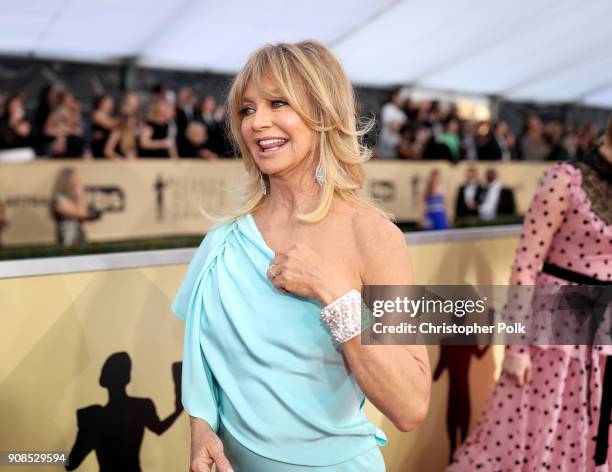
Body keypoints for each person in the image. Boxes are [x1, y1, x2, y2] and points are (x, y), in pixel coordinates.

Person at [172, 41, 431, 472]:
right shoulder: (220, 245)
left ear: (324, 114)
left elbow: (410, 403)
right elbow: (205, 371)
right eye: (247, 109)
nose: (258, 122)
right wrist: (201, 430)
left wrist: (336, 293)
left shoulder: (374, 237)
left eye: (278, 103)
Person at [449, 116, 612, 471]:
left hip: (606, 337)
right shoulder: (565, 180)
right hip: (555, 333)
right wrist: (516, 347)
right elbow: (525, 265)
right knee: (536, 435)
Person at [50, 168, 100, 246]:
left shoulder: (73, 198)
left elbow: (87, 214)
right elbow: (81, 213)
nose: (78, 182)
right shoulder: (58, 199)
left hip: (80, 239)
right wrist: (80, 193)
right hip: (68, 241)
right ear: (66, 181)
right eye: (75, 179)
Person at [376, 89, 406, 160]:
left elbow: (403, 126)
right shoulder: (388, 108)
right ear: (394, 97)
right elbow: (392, 126)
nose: (400, 100)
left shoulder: (401, 112)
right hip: (386, 141)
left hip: (396, 143)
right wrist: (398, 126)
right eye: (399, 97)